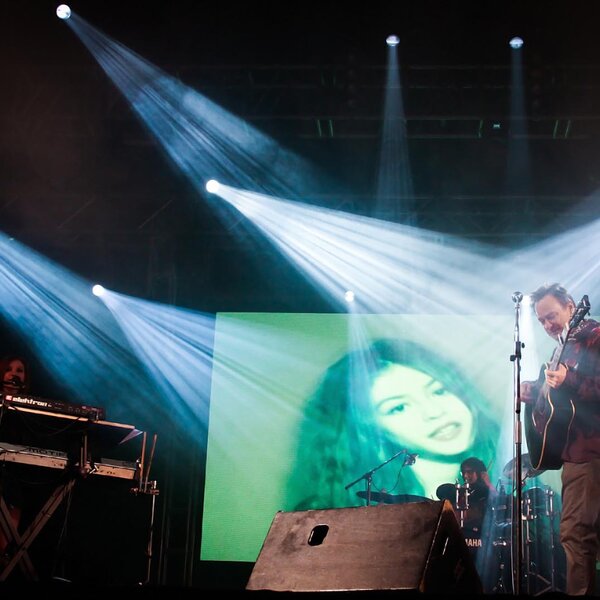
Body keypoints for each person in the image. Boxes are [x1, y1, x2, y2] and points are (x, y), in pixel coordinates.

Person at [285, 338, 500, 511]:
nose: (434, 412)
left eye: (439, 391)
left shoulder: (511, 478)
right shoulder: (332, 511)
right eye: (399, 407)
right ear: (369, 431)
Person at [520, 283, 600, 596]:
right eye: (541, 321)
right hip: (577, 454)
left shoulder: (593, 337)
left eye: (551, 316)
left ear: (571, 306)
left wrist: (570, 379)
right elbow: (557, 399)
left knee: (575, 535)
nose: (547, 325)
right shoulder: (564, 346)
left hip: (589, 453)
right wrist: (533, 391)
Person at [0, 354, 29, 563]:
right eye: (9, 369)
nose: (14, 374)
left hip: (14, 477)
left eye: (19, 371)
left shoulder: (28, 410)